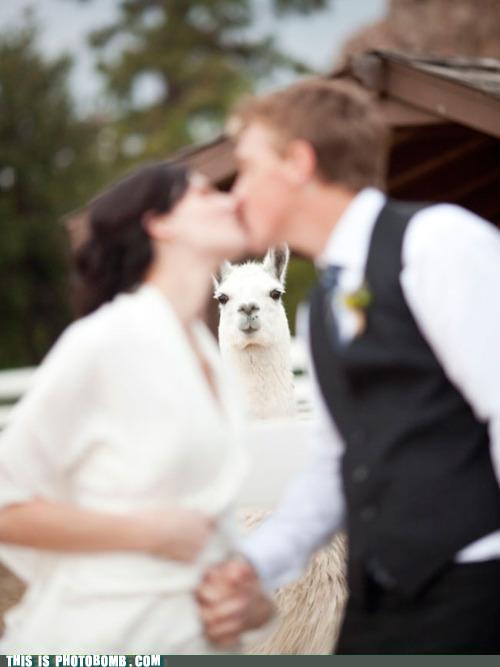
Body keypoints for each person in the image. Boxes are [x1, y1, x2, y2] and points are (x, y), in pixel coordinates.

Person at [196, 78, 500, 653]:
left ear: (298, 164)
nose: (237, 194)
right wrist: (255, 565)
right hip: (382, 594)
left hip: (471, 587)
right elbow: (339, 463)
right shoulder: (324, 306)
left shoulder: (437, 246)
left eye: (249, 169)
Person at [0, 163, 274, 653]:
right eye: (205, 194)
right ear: (159, 223)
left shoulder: (205, 355)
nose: (230, 200)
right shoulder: (105, 342)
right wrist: (146, 533)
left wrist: (251, 603)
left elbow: (207, 520)